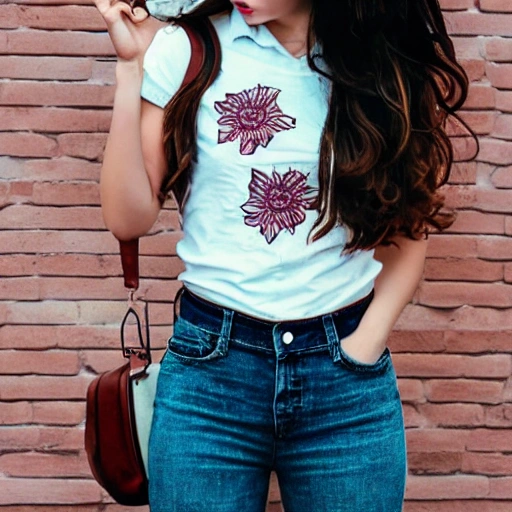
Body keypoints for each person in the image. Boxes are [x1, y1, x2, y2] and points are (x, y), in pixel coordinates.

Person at [94, 0, 472, 510]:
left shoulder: (380, 65)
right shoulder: (187, 50)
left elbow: (407, 230)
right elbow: (128, 218)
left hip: (345, 385)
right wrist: (128, 68)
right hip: (211, 376)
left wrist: (363, 345)